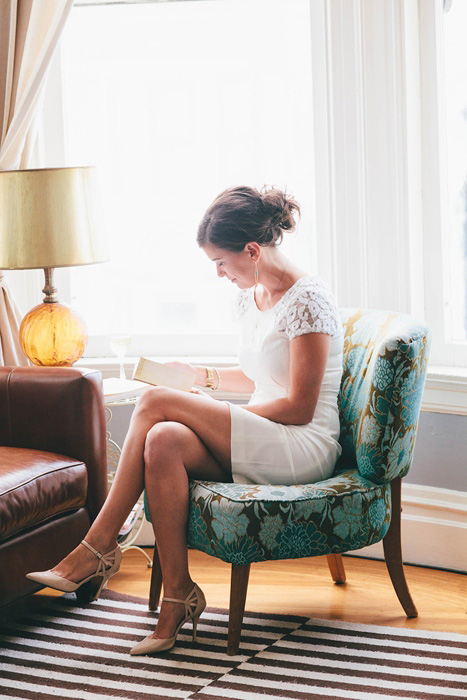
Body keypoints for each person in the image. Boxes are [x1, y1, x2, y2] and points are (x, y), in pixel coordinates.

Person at [26, 184, 344, 655]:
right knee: (166, 440)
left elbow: (299, 405)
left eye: (220, 262)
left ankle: (94, 549)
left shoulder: (308, 301)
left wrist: (223, 416)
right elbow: (260, 372)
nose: (219, 274)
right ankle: (178, 596)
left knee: (156, 402)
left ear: (252, 251)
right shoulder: (252, 295)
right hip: (264, 434)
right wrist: (200, 378)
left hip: (301, 444)